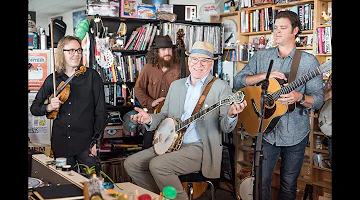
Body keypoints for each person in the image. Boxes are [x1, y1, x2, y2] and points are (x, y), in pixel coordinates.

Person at [124, 41, 247, 200]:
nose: (199, 64)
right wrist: (149, 118)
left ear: (211, 65)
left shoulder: (220, 87)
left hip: (199, 147)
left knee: (158, 165)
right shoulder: (176, 85)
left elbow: (225, 126)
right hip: (170, 144)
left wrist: (231, 115)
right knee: (132, 163)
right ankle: (165, 196)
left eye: (204, 61)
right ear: (189, 62)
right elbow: (164, 115)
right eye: (195, 59)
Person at [233, 11, 324, 200]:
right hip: (265, 131)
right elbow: (239, 81)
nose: (277, 32)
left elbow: (318, 99)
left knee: (289, 186)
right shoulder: (261, 56)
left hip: (296, 133)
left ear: (295, 31)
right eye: (275, 28)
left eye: (283, 28)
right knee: (260, 183)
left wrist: (299, 97)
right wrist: (264, 77)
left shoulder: (308, 62)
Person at [30, 35, 107, 171]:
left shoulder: (92, 77)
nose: (76, 54)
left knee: (92, 185)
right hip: (62, 143)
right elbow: (34, 108)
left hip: (86, 143)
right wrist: (49, 107)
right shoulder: (53, 79)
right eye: (71, 51)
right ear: (62, 53)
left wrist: (96, 141)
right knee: (65, 185)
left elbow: (101, 111)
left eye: (78, 50)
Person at [134, 35, 182, 149]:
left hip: (174, 118)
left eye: (170, 49)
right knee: (148, 148)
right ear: (156, 52)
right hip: (153, 116)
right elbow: (138, 89)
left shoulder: (181, 68)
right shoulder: (148, 68)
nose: (167, 52)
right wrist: (151, 102)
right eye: (163, 50)